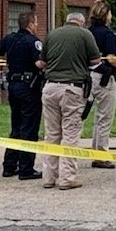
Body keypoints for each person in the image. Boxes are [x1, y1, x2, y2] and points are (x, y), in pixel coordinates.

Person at [37, 12, 101, 190]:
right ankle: (67, 178)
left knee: (51, 134)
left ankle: (48, 178)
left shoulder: (52, 34)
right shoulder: (85, 34)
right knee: (70, 134)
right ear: (81, 22)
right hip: (72, 89)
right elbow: (95, 60)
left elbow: (42, 63)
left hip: (49, 88)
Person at [0, 11, 43, 180]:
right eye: (36, 23)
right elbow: (39, 63)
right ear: (30, 25)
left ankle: (9, 166)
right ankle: (26, 169)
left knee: (16, 126)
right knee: (29, 128)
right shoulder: (34, 42)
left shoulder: (10, 39)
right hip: (29, 88)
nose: (37, 26)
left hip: (13, 87)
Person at [87, 0, 116, 169]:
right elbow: (111, 58)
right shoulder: (107, 34)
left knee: (82, 116)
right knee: (104, 117)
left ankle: (92, 151)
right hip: (104, 79)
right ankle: (101, 154)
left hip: (87, 77)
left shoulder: (88, 32)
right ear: (105, 15)